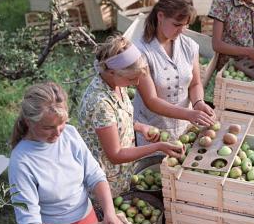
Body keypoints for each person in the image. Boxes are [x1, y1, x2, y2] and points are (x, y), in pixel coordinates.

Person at [9, 82, 127, 224]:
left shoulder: (70, 135)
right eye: (48, 127)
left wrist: (109, 214)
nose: (58, 132)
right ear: (28, 122)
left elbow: (95, 176)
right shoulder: (22, 161)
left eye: (62, 123)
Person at [78, 35, 184, 198]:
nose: (136, 83)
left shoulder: (116, 85)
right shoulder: (100, 103)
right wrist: (158, 147)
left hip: (122, 175)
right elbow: (115, 155)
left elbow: (117, 118)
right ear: (112, 72)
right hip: (106, 182)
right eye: (132, 78)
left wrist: (140, 127)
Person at [133, 0, 215, 146]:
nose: (182, 30)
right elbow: (151, 100)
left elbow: (195, 83)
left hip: (185, 129)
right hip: (153, 132)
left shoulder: (189, 46)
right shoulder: (141, 51)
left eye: (185, 25)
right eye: (177, 24)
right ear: (160, 16)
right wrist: (189, 114)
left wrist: (198, 102)